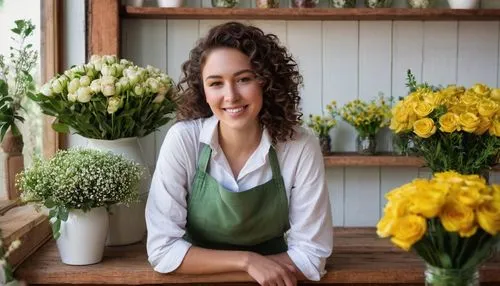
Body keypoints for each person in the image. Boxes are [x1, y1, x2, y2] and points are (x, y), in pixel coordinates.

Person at [145, 21, 333, 286]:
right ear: (204, 91)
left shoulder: (299, 145)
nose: (230, 96)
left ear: (266, 82)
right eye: (216, 83)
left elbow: (312, 257)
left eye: (244, 79)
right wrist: (249, 263)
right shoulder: (184, 141)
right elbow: (163, 251)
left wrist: (255, 270)